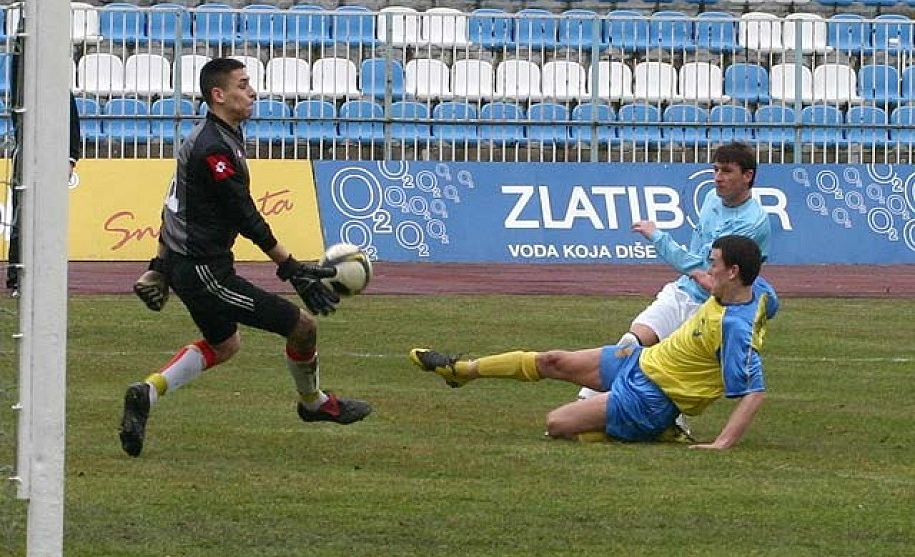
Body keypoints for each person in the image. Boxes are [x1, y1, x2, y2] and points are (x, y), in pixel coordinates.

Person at [118, 58, 371, 458]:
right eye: (243, 84)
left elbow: (172, 205)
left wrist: (159, 267)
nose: (252, 92)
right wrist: (291, 268)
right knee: (302, 327)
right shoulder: (213, 148)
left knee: (225, 344)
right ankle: (314, 404)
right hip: (205, 272)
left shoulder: (213, 137)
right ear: (218, 95)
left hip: (193, 267)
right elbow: (244, 215)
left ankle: (147, 392)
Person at [410, 235, 779, 448]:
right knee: (553, 360)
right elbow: (768, 302)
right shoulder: (760, 291)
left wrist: (722, 443)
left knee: (556, 424)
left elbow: (755, 391)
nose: (707, 269)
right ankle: (461, 371)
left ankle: (660, 430)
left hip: (651, 397)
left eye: (713, 263)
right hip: (641, 360)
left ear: (733, 272)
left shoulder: (735, 328)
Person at [577, 142, 772, 433]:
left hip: (711, 306)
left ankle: (672, 421)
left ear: (748, 176)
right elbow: (697, 266)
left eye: (726, 171)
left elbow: (705, 270)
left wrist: (658, 237)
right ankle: (586, 403)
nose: (717, 177)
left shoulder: (753, 223)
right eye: (715, 170)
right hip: (683, 290)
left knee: (674, 368)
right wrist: (690, 269)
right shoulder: (711, 198)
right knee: (632, 341)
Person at [5, 16, 81, 296]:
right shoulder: (23, 85)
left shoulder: (58, 85)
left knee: (48, 218)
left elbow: (72, 119)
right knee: (23, 216)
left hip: (51, 154)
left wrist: (70, 158)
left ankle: (44, 274)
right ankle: (18, 277)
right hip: (28, 152)